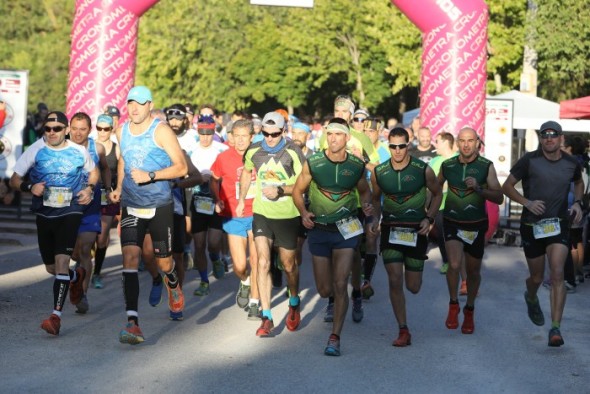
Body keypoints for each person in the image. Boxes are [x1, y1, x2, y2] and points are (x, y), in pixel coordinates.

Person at [110, 86, 188, 345]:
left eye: (140, 103)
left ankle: (173, 286)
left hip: (159, 205)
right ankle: (133, 322)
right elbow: (123, 161)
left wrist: (151, 176)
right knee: (130, 258)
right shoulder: (121, 131)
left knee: (164, 262)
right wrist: (120, 188)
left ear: (149, 105)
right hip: (131, 205)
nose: (134, 108)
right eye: (130, 102)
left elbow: (181, 167)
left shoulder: (161, 130)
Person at [10, 111, 98, 335]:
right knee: (52, 268)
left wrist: (89, 188)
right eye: (47, 129)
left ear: (66, 130)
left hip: (70, 212)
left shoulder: (79, 151)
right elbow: (15, 179)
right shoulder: (36, 149)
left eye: (56, 129)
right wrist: (30, 187)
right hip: (45, 214)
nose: (51, 133)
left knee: (61, 263)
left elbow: (94, 173)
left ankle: (55, 317)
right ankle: (77, 276)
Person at [293, 118, 372, 356]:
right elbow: (297, 191)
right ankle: (336, 302)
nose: (334, 138)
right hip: (319, 230)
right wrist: (304, 212)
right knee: (325, 289)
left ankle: (335, 337)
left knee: (340, 284)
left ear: (347, 138)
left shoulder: (356, 165)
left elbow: (365, 190)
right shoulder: (314, 162)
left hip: (346, 229)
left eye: (339, 134)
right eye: (330, 134)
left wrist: (367, 206)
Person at [502, 121, 583, 347]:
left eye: (553, 135)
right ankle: (530, 296)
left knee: (557, 273)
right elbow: (506, 186)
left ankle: (555, 328)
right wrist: (526, 202)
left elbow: (578, 183)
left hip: (559, 224)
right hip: (532, 226)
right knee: (537, 277)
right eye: (545, 135)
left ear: (561, 138)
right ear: (540, 138)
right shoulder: (530, 160)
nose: (549, 139)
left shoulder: (571, 162)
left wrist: (577, 203)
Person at [369, 127, 442, 346]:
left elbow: (437, 194)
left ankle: (404, 325)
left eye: (402, 146)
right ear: (388, 146)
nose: (398, 150)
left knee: (413, 286)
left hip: (415, 231)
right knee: (394, 279)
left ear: (408, 145)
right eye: (393, 146)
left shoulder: (422, 169)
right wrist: (375, 219)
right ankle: (403, 329)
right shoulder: (379, 172)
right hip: (391, 229)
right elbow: (375, 199)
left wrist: (429, 218)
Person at [236, 111, 306, 337]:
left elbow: (304, 183)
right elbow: (246, 172)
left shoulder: (293, 152)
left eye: (274, 134)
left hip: (287, 215)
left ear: (283, 131)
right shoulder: (255, 150)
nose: (269, 138)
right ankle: (266, 316)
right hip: (262, 213)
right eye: (265, 133)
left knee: (288, 265)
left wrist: (280, 190)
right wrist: (241, 200)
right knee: (263, 262)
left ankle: (293, 302)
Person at [439, 127, 504, 335]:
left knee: (474, 272)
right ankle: (453, 304)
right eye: (462, 141)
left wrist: (479, 188)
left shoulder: (486, 166)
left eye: (470, 141)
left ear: (477, 143)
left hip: (476, 224)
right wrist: (428, 212)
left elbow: (498, 197)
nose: (466, 145)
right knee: (455, 264)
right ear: (457, 143)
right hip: (451, 220)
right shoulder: (447, 165)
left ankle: (469, 309)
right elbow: (434, 188)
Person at [211, 119, 261, 319]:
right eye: (236, 136)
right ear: (231, 136)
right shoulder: (223, 158)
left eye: (244, 137)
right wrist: (217, 199)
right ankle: (245, 281)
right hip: (234, 214)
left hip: (257, 213)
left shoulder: (259, 156)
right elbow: (213, 181)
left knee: (257, 261)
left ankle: (256, 303)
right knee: (240, 266)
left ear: (251, 137)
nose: (240, 141)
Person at [68, 112, 111, 313]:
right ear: (69, 128)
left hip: (91, 207)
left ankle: (82, 295)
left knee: (85, 250)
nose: (77, 133)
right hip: (67, 207)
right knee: (74, 252)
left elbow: (105, 168)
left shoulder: (97, 148)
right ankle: (77, 275)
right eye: (74, 129)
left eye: (82, 129)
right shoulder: (62, 147)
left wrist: (109, 188)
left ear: (89, 130)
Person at [190, 114, 229, 297]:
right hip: (197, 202)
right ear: (198, 132)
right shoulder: (190, 151)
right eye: (202, 133)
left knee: (213, 243)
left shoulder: (221, 150)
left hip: (215, 203)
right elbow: (182, 174)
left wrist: (216, 180)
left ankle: (215, 258)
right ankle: (204, 281)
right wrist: (197, 178)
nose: (205, 137)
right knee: (198, 245)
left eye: (209, 133)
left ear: (214, 132)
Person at [93, 114, 120, 289]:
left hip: (108, 196)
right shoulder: (90, 146)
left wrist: (118, 190)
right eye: (99, 128)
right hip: (90, 194)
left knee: (102, 236)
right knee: (87, 236)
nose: (102, 132)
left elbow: (123, 170)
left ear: (111, 130)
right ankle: (85, 264)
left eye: (106, 129)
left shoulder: (116, 148)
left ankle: (96, 273)